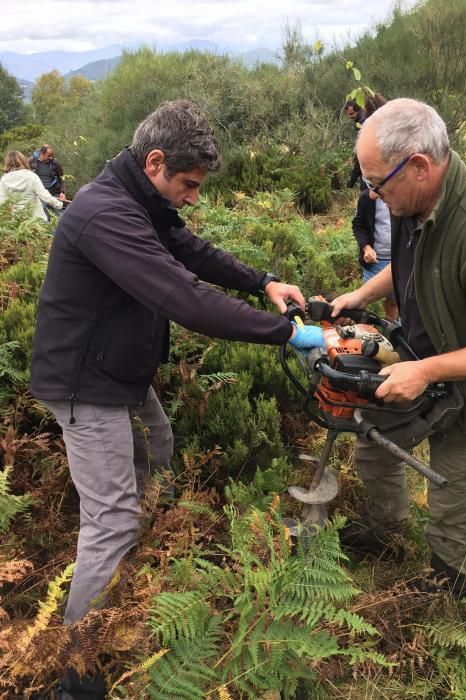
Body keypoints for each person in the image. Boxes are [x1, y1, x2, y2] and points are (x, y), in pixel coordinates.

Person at [30, 100, 323, 698]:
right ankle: (77, 678)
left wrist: (262, 281)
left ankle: (145, 557)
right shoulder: (103, 213)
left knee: (159, 446)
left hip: (120, 372)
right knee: (109, 520)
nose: (192, 197)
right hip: (87, 385)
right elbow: (183, 296)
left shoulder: (142, 198)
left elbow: (192, 252)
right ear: (157, 161)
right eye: (189, 185)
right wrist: (287, 332)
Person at [331, 97, 466, 598]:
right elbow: (413, 264)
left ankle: (449, 589)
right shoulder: (412, 200)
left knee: (452, 496)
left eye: (377, 183)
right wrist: (363, 292)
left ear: (418, 165)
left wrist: (429, 371)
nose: (373, 196)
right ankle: (385, 525)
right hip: (422, 360)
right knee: (372, 435)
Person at [352, 188, 398, 320]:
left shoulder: (402, 194)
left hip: (397, 258)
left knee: (393, 300)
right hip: (376, 260)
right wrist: (366, 248)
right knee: (366, 298)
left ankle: (390, 330)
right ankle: (365, 329)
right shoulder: (367, 198)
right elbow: (358, 224)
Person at [0, 150, 63, 220]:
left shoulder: (4, 179)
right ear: (22, 161)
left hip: (17, 221)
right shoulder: (31, 176)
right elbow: (45, 196)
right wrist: (60, 205)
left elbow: (2, 202)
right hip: (36, 220)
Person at [346, 93, 387, 190]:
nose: (350, 117)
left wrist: (352, 179)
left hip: (373, 174)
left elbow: (362, 156)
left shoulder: (365, 124)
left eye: (366, 108)